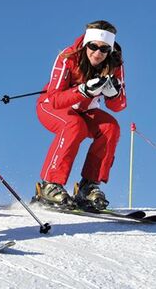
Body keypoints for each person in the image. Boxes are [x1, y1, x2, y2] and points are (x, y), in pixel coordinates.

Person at [35, 20, 126, 210]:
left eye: (104, 49)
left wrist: (114, 94)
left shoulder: (115, 62)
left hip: (84, 109)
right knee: (74, 126)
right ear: (86, 44)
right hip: (51, 106)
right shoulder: (68, 57)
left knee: (111, 128)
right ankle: (50, 184)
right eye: (93, 46)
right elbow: (54, 99)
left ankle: (88, 186)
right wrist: (83, 90)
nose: (98, 53)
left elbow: (118, 106)